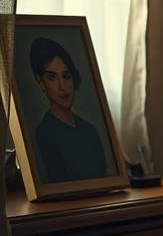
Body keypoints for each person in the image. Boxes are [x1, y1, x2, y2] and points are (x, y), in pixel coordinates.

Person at [29, 37, 108, 183]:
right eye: (52, 77)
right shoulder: (44, 133)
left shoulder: (90, 130)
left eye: (66, 76)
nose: (62, 86)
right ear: (41, 82)